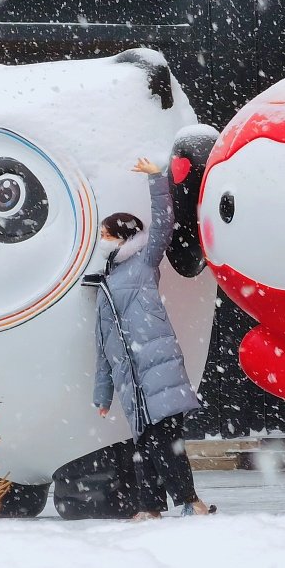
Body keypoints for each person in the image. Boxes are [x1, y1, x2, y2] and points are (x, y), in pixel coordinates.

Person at [90, 156, 214, 519]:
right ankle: (150, 507)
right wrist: (103, 393)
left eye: (105, 234)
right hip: (133, 380)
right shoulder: (105, 286)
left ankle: (191, 502)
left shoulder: (142, 262)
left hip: (156, 368)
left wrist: (157, 178)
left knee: (163, 442)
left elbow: (163, 222)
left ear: (121, 236)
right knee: (145, 445)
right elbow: (103, 346)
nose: (101, 241)